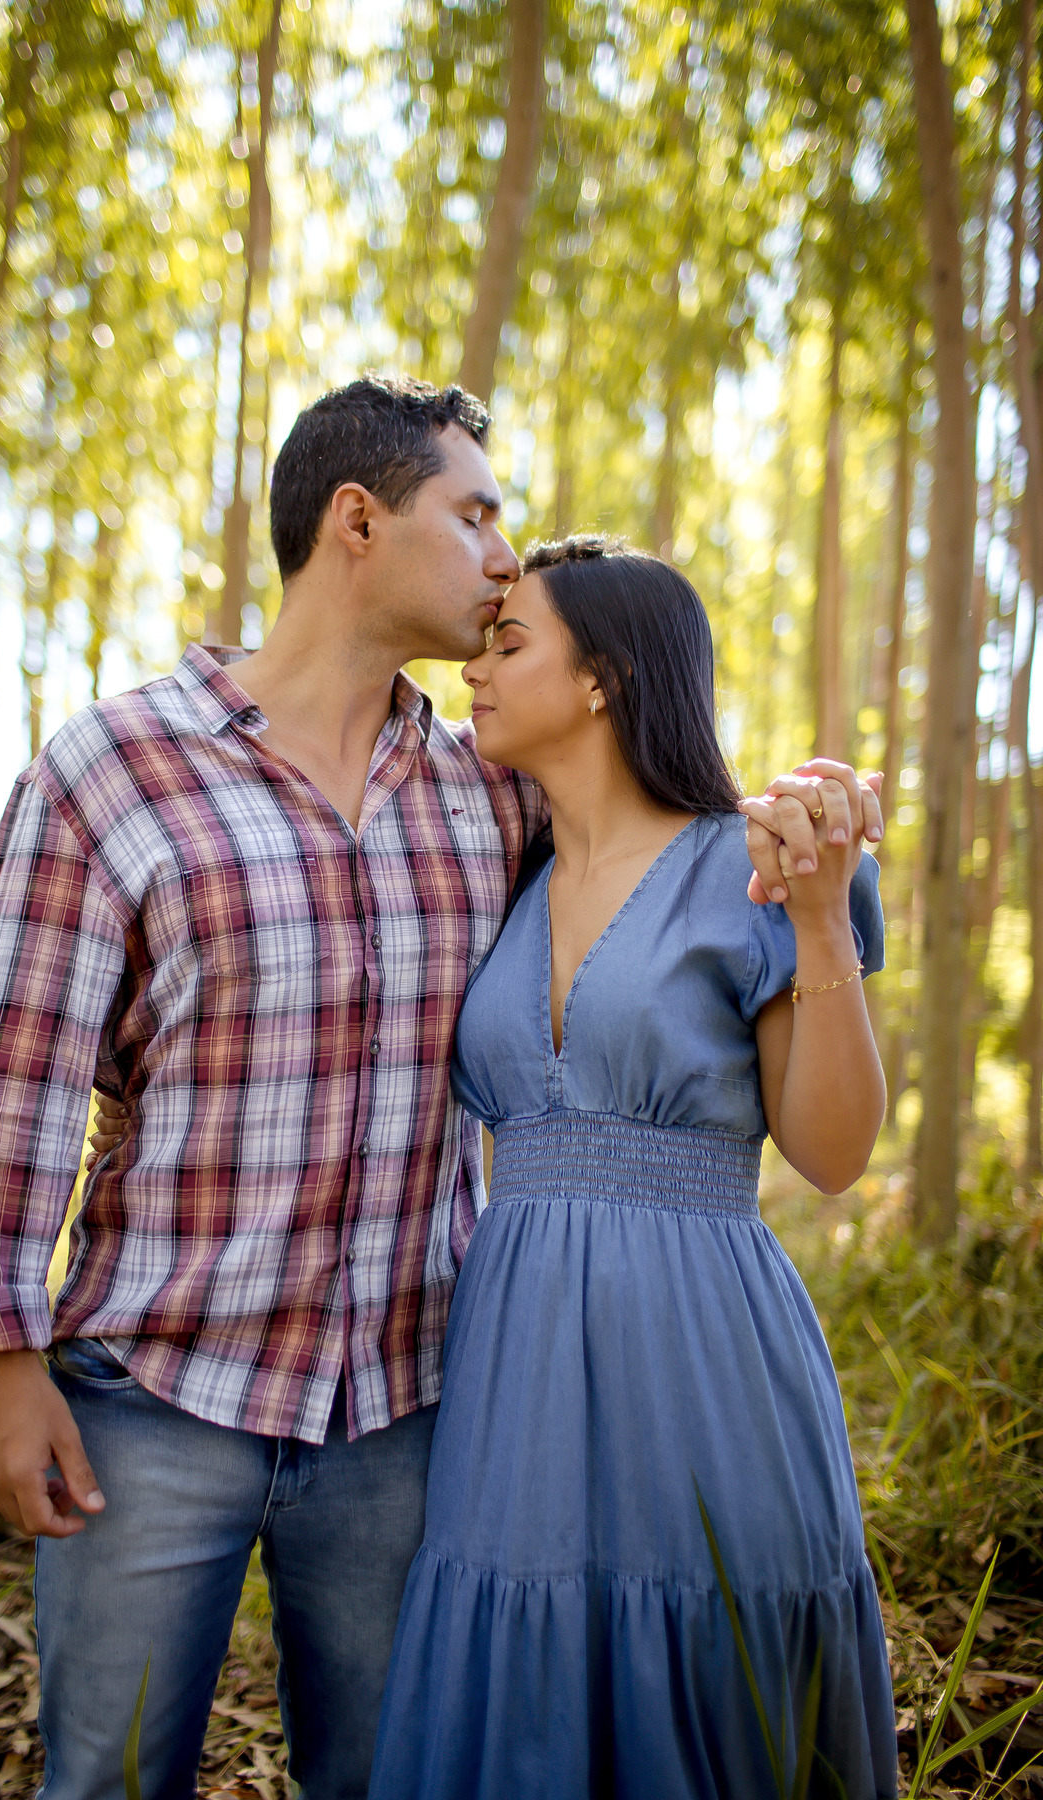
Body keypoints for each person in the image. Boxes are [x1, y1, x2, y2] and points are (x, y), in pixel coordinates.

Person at [0, 376, 876, 1800]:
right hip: (158, 1396)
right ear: (358, 520)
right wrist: (3, 1361)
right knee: (110, 1778)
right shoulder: (114, 771)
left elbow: (662, 829)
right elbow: (12, 1072)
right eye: (478, 512)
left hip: (408, 1405)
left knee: (403, 1775)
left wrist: (824, 847)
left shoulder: (484, 796)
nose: (505, 554)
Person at [365, 537, 898, 1800]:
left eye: (510, 644)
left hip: (704, 1346)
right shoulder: (500, 875)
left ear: (601, 678)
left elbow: (832, 1153)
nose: (476, 675)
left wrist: (822, 918)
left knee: (709, 1664)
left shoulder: (754, 866)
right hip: (515, 1359)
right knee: (525, 1669)